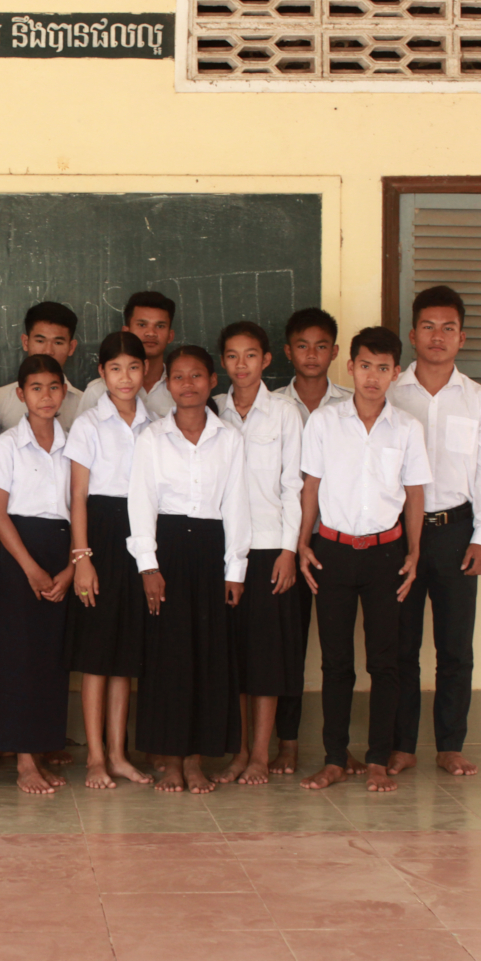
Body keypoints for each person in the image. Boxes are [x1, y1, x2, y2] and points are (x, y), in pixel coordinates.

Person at [297, 326, 431, 794]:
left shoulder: (408, 429)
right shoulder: (325, 422)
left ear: (396, 373)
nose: (372, 377)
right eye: (364, 366)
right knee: (335, 663)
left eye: (383, 368)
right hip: (331, 551)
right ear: (349, 366)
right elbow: (310, 487)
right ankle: (335, 757)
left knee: (385, 661)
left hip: (385, 555)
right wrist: (302, 543)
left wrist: (414, 553)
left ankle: (377, 758)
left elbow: (415, 495)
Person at [388, 286, 481, 779]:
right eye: (429, 327)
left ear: (462, 337)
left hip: (456, 532)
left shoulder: (478, 401)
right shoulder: (389, 391)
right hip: (398, 535)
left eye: (449, 328)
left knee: (455, 646)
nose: (438, 337)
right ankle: (402, 745)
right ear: (413, 334)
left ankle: (450, 744)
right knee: (400, 646)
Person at [128, 346, 249, 794]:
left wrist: (235, 568)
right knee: (168, 658)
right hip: (168, 550)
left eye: (196, 376)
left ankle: (196, 760)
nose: (188, 385)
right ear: (167, 386)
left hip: (212, 551)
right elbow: (141, 502)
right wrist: (148, 566)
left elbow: (237, 504)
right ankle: (172, 761)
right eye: (178, 377)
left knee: (207, 656)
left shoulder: (229, 439)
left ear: (212, 381)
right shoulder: (152, 438)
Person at [212, 322, 303, 787]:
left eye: (251, 355)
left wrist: (290, 550)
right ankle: (239, 751)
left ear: (267, 360)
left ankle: (261, 756)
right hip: (226, 552)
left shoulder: (285, 413)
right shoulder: (213, 413)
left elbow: (294, 487)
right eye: (232, 356)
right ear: (221, 363)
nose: (241, 365)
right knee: (233, 658)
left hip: (270, 550)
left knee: (266, 658)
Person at [0, 354, 76, 793]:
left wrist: (72, 567)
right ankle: (23, 762)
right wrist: (32, 569)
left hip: (63, 552)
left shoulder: (73, 442)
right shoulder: (6, 446)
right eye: (35, 388)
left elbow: (79, 510)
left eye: (53, 387)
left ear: (64, 392)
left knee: (51, 658)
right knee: (19, 658)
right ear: (20, 394)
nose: (45, 396)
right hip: (22, 555)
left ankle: (40, 750)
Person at [65, 331, 154, 790]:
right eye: (115, 369)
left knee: (126, 652)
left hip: (140, 535)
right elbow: (77, 496)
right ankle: (95, 757)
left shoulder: (156, 421)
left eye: (134, 368)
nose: (125, 378)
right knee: (97, 653)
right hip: (99, 531)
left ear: (145, 371)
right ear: (101, 373)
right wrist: (82, 557)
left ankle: (119, 753)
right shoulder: (88, 424)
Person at [270, 307, 354, 775]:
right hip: (285, 542)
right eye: (302, 345)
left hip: (337, 540)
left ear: (336, 352)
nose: (312, 354)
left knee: (339, 650)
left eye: (322, 346)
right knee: (289, 643)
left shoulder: (352, 403)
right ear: (286, 352)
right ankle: (287, 743)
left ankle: (336, 749)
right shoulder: (273, 404)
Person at [0, 301, 85, 433]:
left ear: (71, 347)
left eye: (58, 342)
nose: (48, 351)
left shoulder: (83, 404)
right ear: (25, 342)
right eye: (40, 341)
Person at [78, 291, 177, 420]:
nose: (151, 333)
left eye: (160, 326)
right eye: (142, 325)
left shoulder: (181, 387)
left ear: (170, 336)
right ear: (126, 331)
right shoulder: (97, 391)